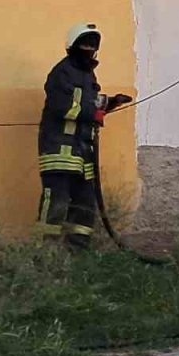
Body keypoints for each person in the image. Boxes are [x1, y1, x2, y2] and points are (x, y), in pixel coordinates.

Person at [36, 22, 131, 250]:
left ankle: (77, 255)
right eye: (85, 44)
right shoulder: (62, 73)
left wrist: (111, 102)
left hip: (82, 156)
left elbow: (90, 104)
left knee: (85, 208)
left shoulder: (87, 75)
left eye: (92, 45)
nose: (89, 48)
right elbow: (64, 107)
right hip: (59, 152)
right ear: (73, 46)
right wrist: (94, 113)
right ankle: (44, 256)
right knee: (56, 205)